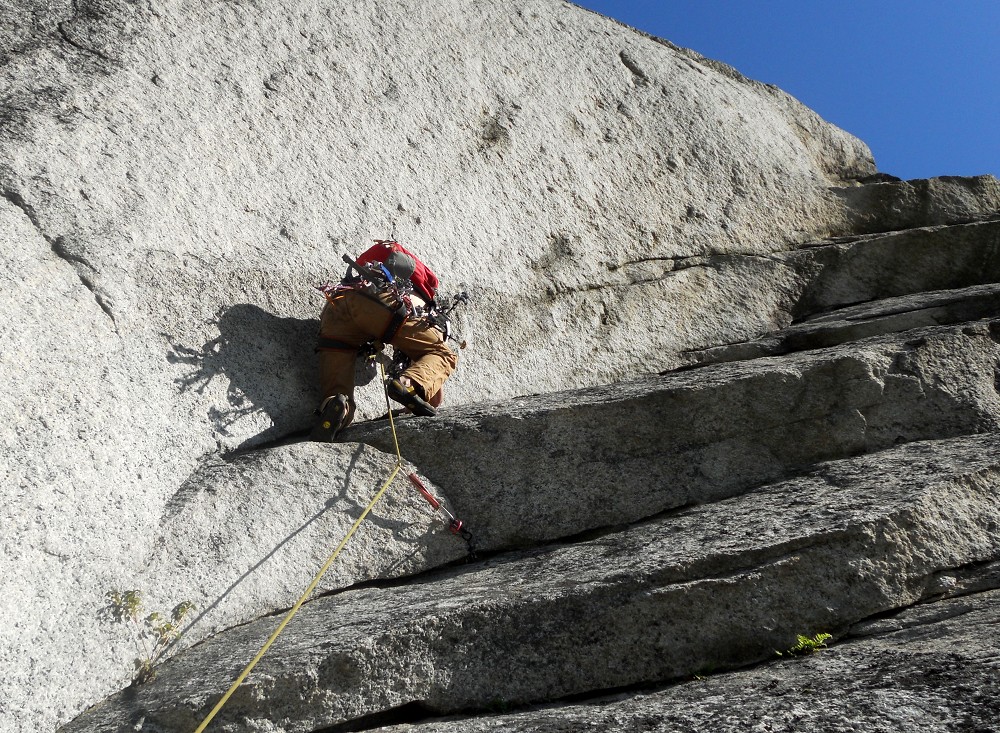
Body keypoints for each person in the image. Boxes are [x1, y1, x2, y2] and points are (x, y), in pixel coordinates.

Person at [312, 239, 458, 440]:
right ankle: (406, 383)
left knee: (338, 389)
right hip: (383, 303)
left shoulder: (367, 269)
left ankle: (336, 409)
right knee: (443, 354)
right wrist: (410, 386)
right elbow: (434, 394)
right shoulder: (423, 302)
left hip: (336, 307)